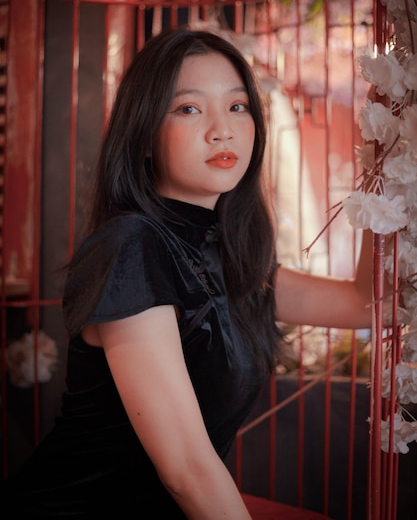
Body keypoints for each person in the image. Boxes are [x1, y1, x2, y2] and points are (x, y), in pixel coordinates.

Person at [2, 27, 373, 518]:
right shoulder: (131, 246)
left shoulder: (226, 253)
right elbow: (187, 469)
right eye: (189, 109)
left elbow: (364, 304)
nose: (223, 129)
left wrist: (387, 168)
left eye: (238, 106)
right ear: (145, 136)